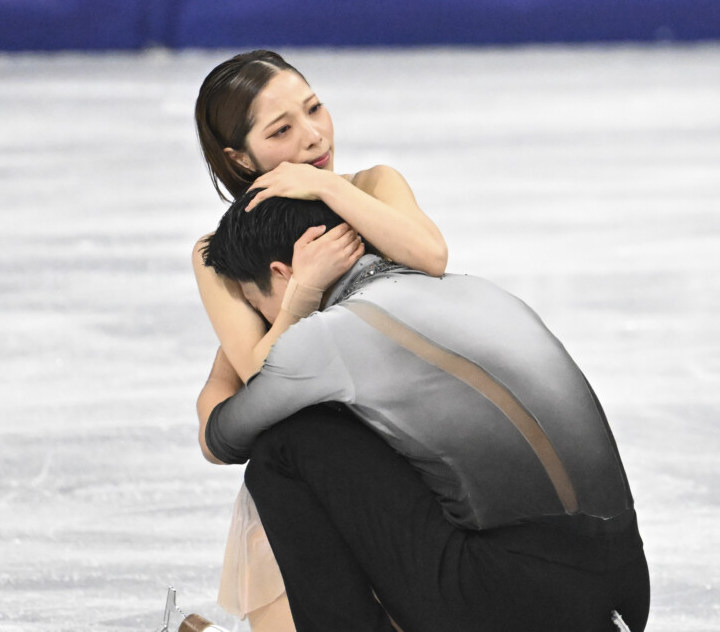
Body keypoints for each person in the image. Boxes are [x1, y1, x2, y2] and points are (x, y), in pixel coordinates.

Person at [198, 193, 651, 632]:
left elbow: (223, 437)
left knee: (287, 445)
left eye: (258, 307)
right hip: (625, 586)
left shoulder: (330, 335)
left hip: (518, 597)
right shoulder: (474, 289)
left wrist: (237, 354)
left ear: (282, 273)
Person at [192, 50, 448, 631]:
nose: (312, 137)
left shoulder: (374, 187)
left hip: (409, 450)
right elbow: (257, 380)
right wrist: (304, 290)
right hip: (311, 461)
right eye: (281, 130)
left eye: (315, 109)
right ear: (239, 156)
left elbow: (430, 256)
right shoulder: (224, 255)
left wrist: (325, 189)